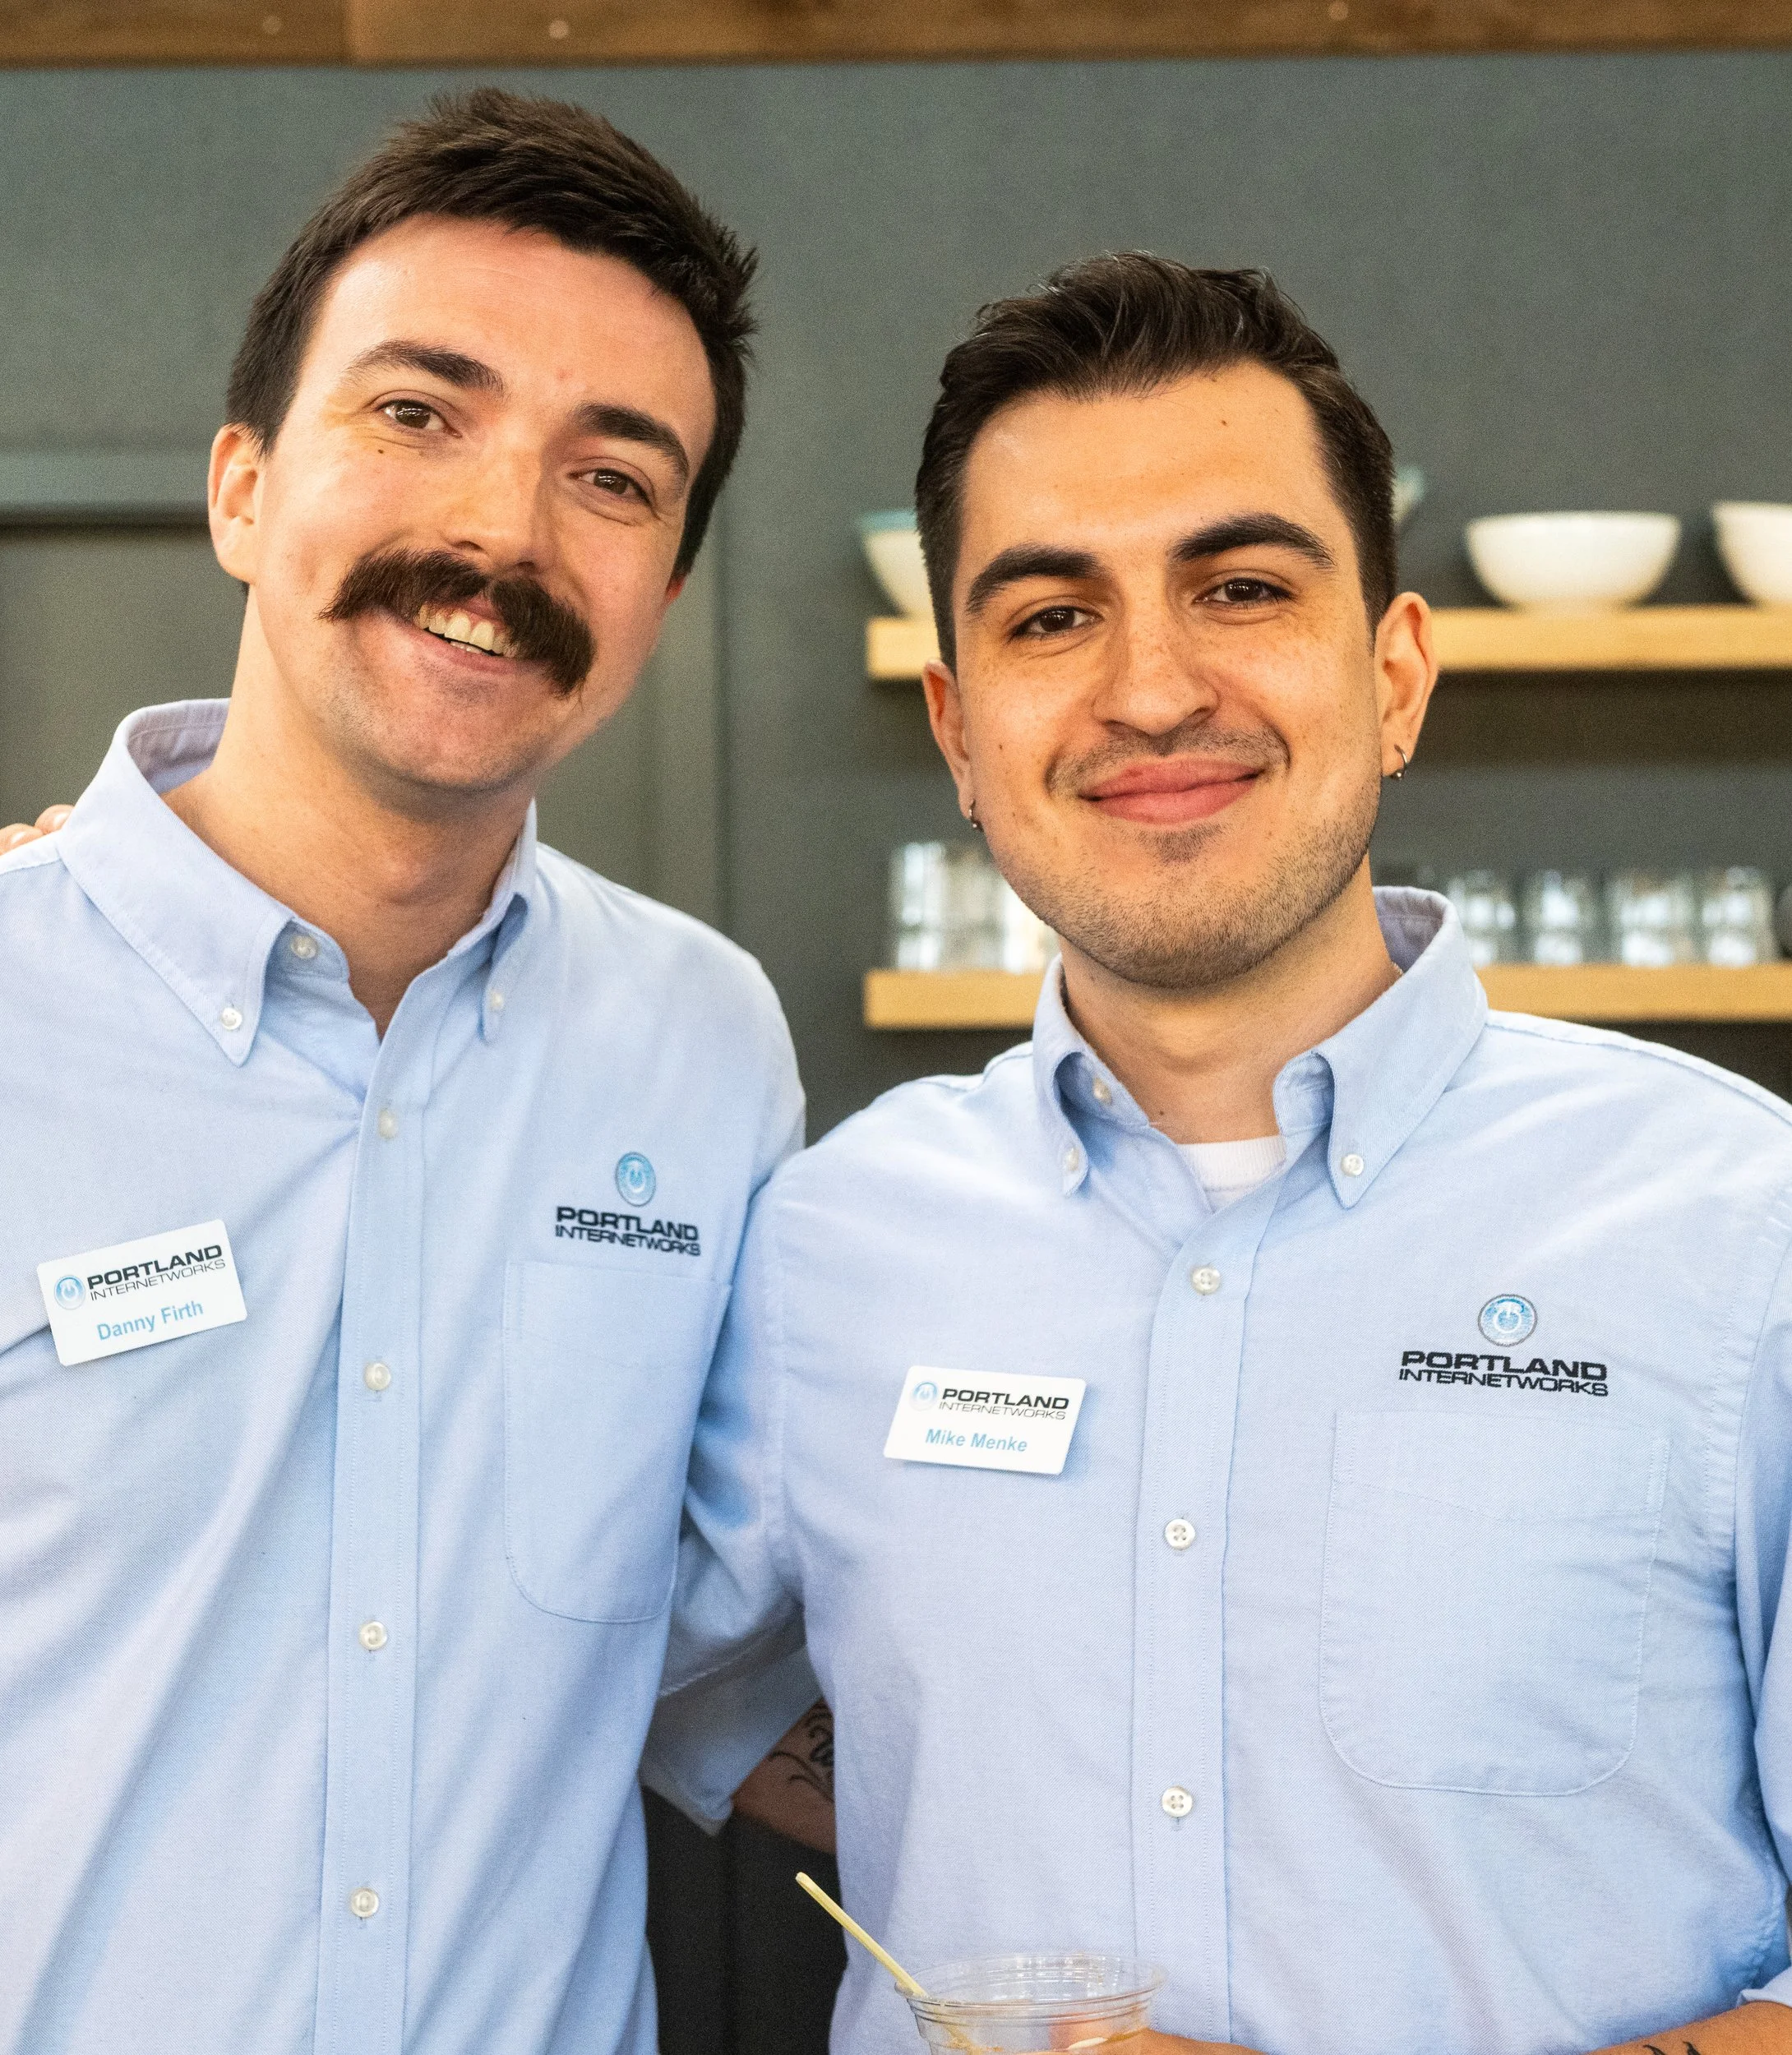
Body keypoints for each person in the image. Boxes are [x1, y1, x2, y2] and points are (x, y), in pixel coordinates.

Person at [0, 90, 824, 2055]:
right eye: (419, 413)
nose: (500, 528)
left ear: (662, 592)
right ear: (241, 485)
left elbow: (717, 1652)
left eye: (612, 476)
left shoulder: (702, 1046)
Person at [648, 254, 1792, 2055]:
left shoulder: (1739, 1230)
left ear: (1394, 673)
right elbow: (615, 1655)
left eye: (1239, 586)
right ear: (957, 731)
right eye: (1047, 617)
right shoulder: (824, 1243)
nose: (1151, 687)